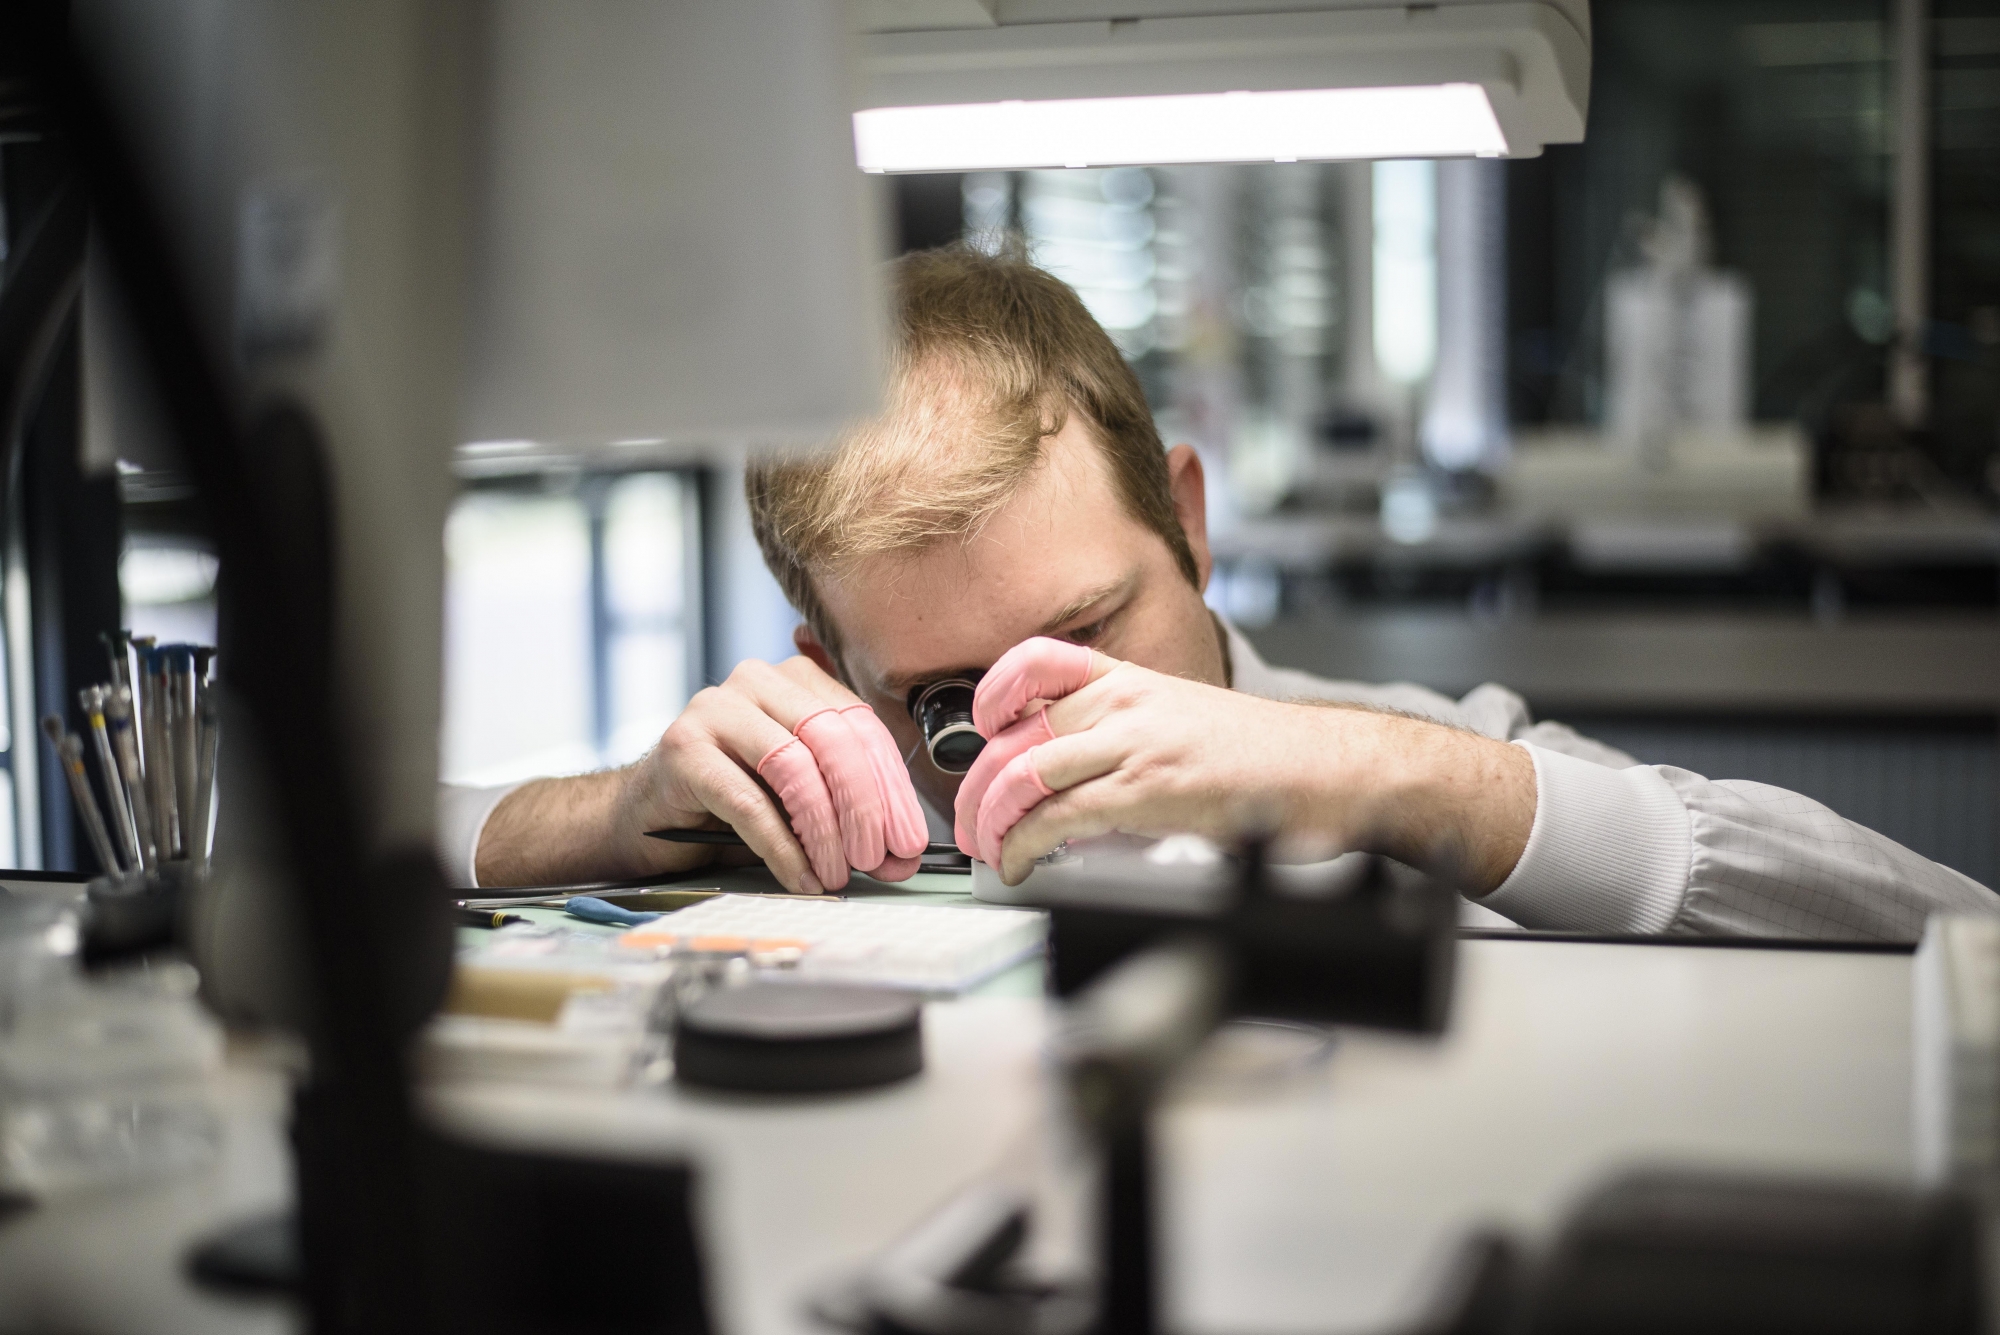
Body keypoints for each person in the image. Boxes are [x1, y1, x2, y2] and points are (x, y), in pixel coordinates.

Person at [439, 243, 1995, 942]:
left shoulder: (1396, 749)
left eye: (1090, 633)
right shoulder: (804, 822)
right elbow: (285, 842)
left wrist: (1407, 788)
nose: (1028, 722)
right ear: (831, 672)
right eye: (942, 702)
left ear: (1185, 524)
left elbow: (1946, 923)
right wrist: (595, 817)